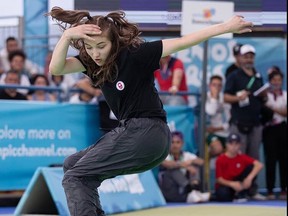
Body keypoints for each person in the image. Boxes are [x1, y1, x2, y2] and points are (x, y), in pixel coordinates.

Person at [47, 6, 253, 215]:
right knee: (72, 165)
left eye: (101, 46)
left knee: (75, 177)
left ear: (114, 43)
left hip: (147, 133)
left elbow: (183, 42)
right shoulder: (91, 62)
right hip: (135, 134)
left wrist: (226, 27)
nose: (95, 53)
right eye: (89, 47)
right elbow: (56, 69)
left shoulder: (135, 55)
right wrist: (66, 36)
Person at [224, 44, 267, 200]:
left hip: (255, 123)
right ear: (240, 58)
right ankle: (238, 191)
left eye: (251, 56)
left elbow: (260, 96)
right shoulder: (234, 76)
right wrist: (238, 98)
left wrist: (264, 95)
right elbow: (226, 97)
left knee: (254, 157)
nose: (249, 59)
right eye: (246, 56)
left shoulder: (258, 76)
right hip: (238, 123)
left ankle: (252, 191)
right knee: (237, 157)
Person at [158, 131, 209, 203]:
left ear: (182, 143)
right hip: (170, 191)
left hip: (183, 189)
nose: (175, 145)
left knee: (194, 166)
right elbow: (167, 164)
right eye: (172, 142)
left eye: (178, 142)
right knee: (173, 169)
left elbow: (201, 161)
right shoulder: (164, 155)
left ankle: (194, 191)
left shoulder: (185, 155)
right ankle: (191, 191)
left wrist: (191, 162)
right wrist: (184, 166)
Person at [215, 133, 263, 202]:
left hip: (239, 182)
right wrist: (232, 184)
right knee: (223, 194)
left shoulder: (242, 157)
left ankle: (242, 193)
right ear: (227, 145)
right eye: (231, 144)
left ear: (239, 145)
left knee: (251, 167)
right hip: (227, 184)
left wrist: (249, 178)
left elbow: (259, 165)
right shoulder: (220, 159)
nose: (234, 147)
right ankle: (234, 195)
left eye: (236, 144)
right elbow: (219, 179)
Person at [262, 67, 287, 200]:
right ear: (270, 81)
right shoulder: (266, 96)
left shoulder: (285, 94)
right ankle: (270, 190)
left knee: (284, 160)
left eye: (279, 80)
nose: (277, 82)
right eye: (274, 80)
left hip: (283, 128)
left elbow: (285, 113)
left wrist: (272, 109)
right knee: (270, 160)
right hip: (269, 129)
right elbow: (264, 110)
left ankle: (284, 189)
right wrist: (279, 110)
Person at [205, 75, 231, 158]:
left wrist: (220, 128)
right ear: (209, 85)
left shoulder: (225, 98)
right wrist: (214, 97)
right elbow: (211, 111)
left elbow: (230, 119)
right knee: (218, 149)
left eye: (219, 85)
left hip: (225, 131)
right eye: (214, 85)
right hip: (210, 133)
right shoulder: (205, 97)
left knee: (232, 152)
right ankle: (204, 159)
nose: (216, 87)